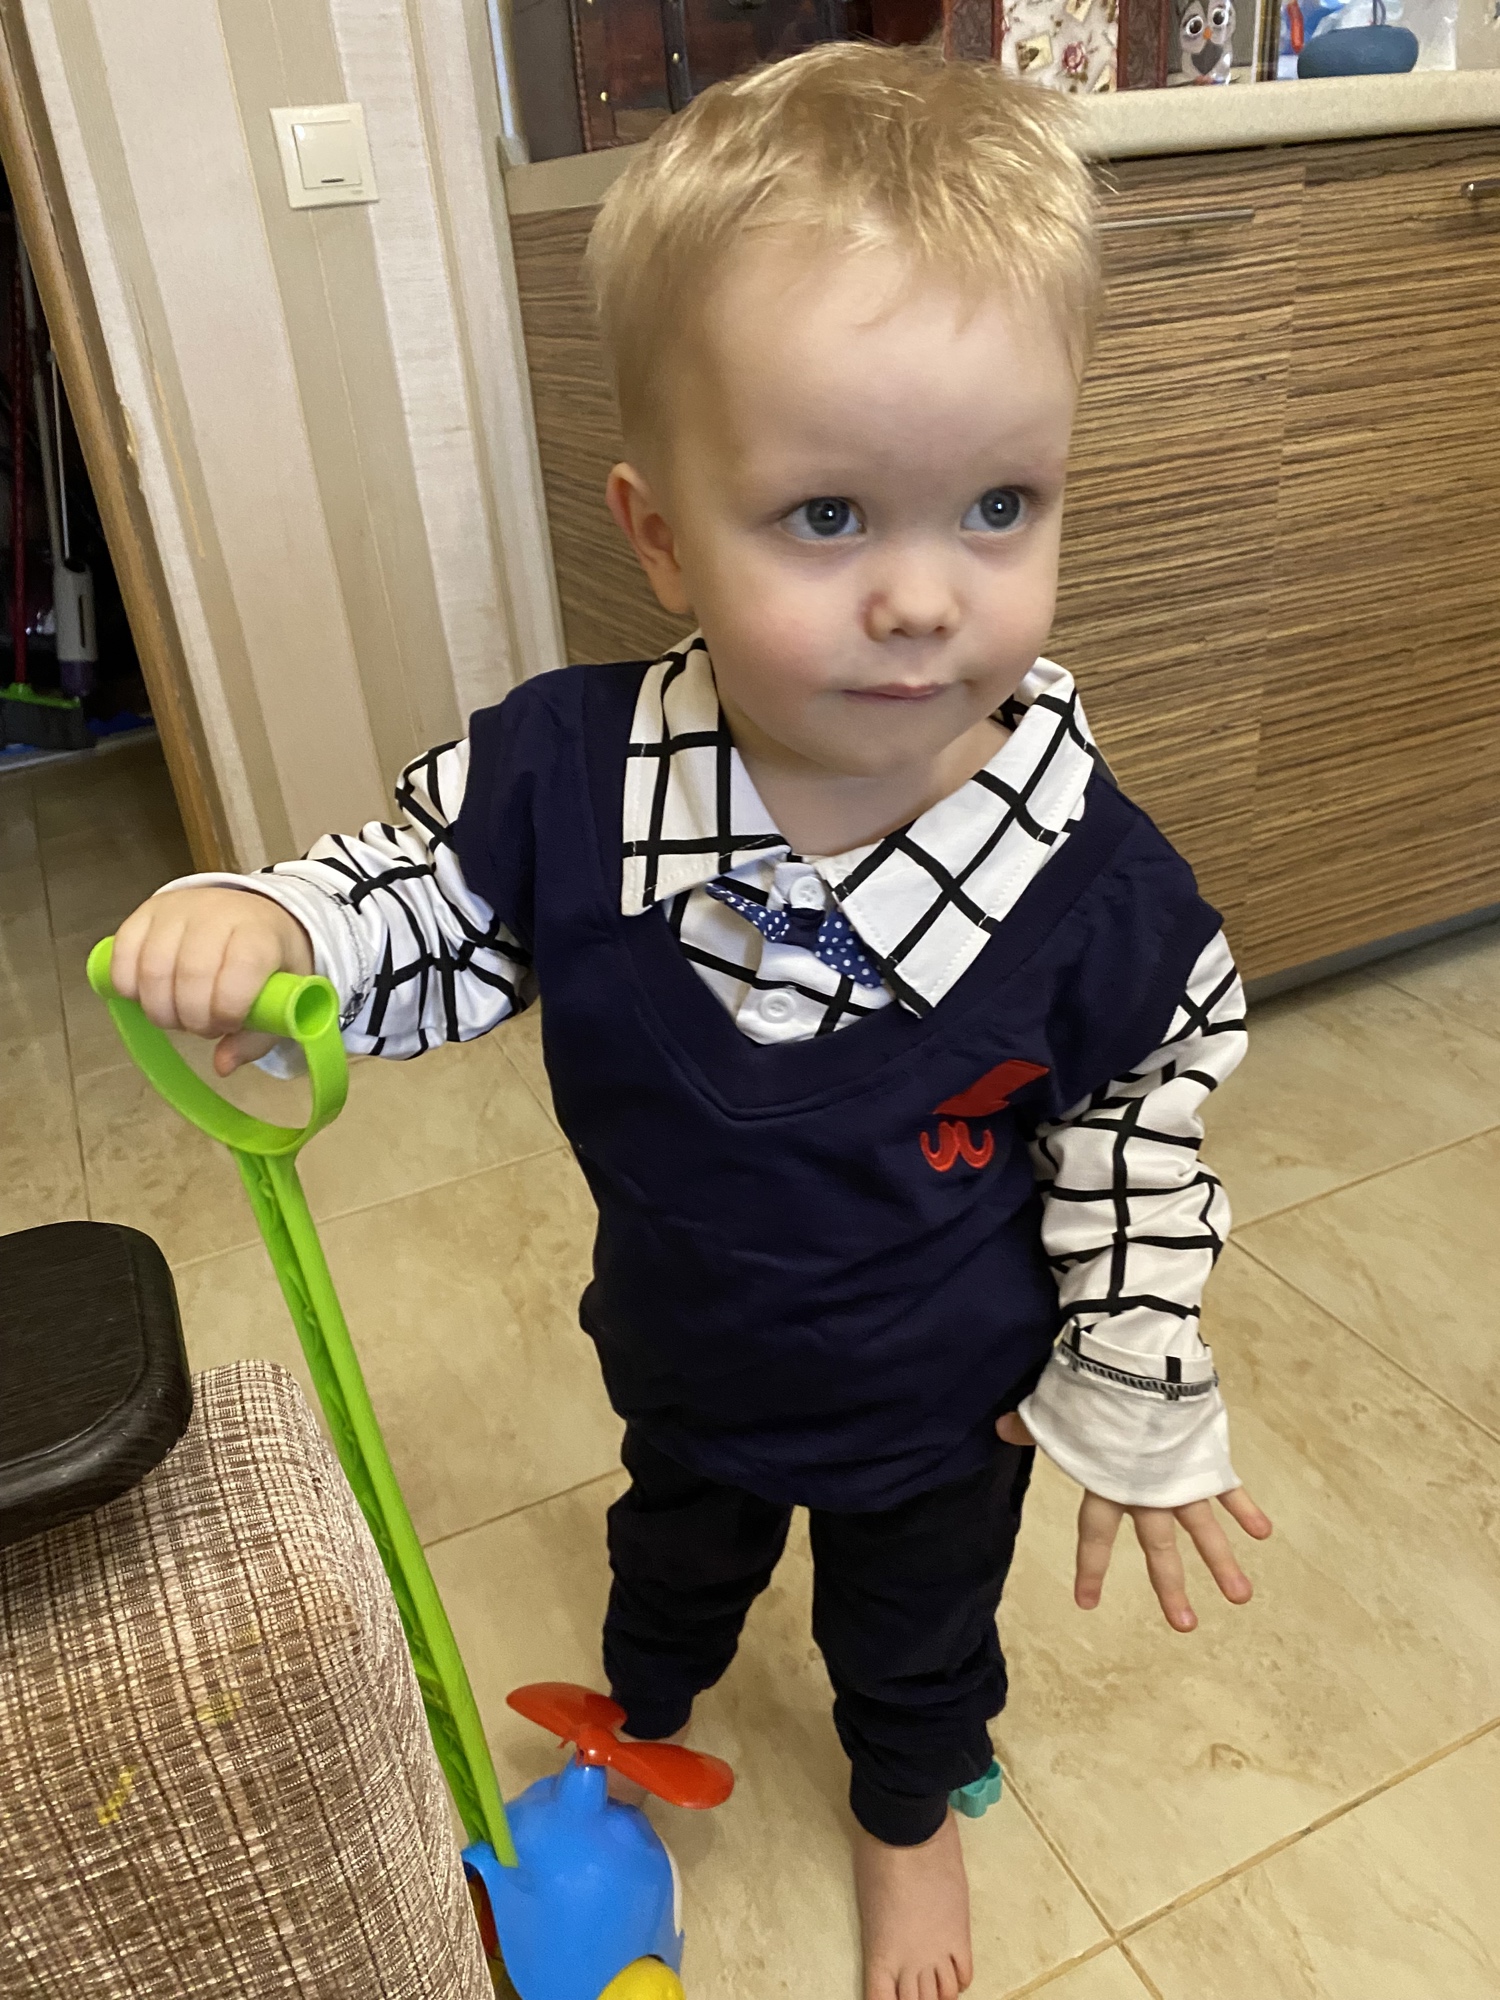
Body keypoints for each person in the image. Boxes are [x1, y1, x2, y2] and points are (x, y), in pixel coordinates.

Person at [112, 43, 1271, 2000]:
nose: (925, 599)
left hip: (943, 1400)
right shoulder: (571, 778)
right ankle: (632, 1716)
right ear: (660, 535)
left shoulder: (1090, 886)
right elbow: (428, 899)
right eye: (827, 515)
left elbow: (1147, 1110)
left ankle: (907, 1812)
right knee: (669, 1557)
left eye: (1000, 505)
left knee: (915, 1636)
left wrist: (1137, 1364)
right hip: (686, 1352)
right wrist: (275, 923)